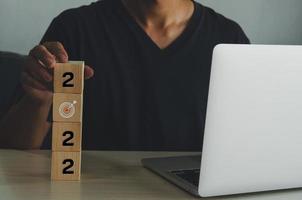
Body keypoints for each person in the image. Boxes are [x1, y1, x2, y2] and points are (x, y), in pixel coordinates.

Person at [0, 0, 249, 150]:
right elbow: (14, 148)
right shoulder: (75, 28)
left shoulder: (229, 38)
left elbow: (248, 144)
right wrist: (39, 100)